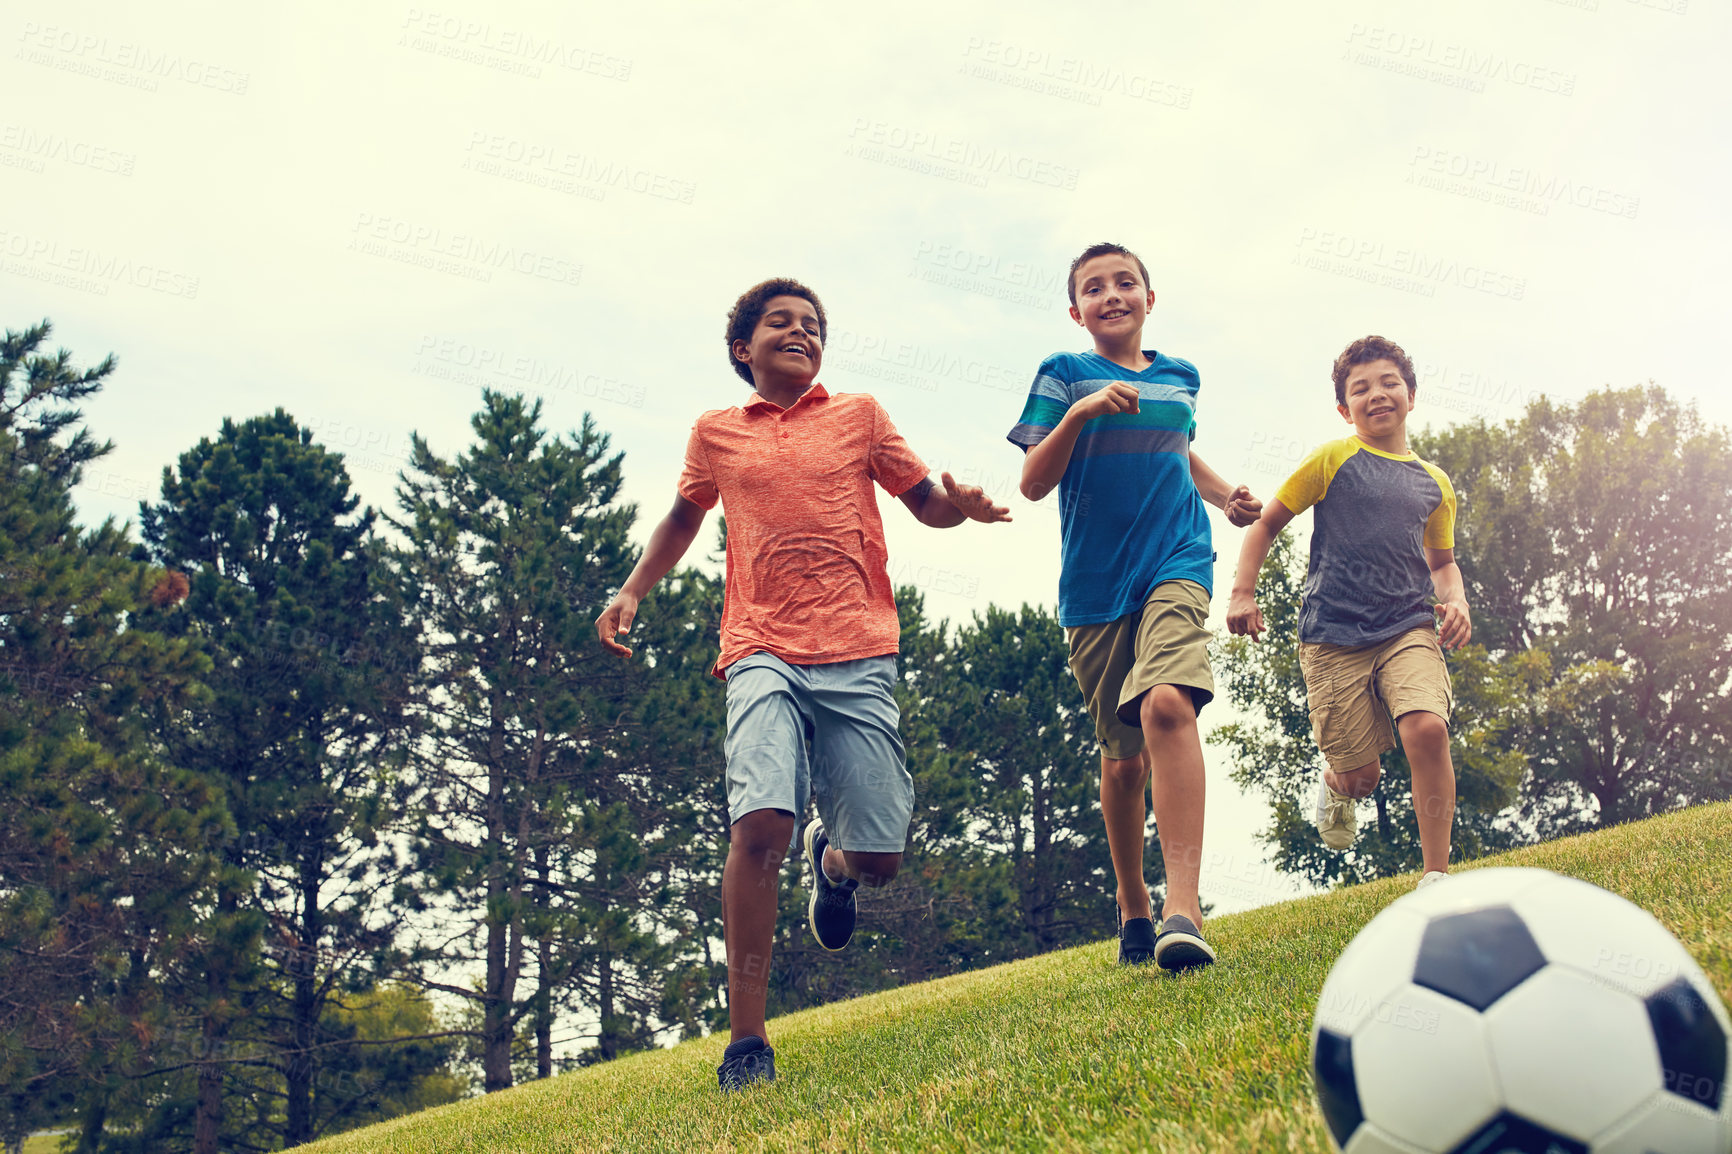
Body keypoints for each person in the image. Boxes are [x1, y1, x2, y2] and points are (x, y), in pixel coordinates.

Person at [595, 277, 1010, 1092]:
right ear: (742, 349)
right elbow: (684, 517)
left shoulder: (858, 416)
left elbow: (924, 501)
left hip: (858, 647)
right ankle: (746, 1043)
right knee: (759, 823)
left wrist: (959, 507)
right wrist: (632, 588)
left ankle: (835, 864)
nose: (800, 331)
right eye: (779, 323)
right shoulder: (716, 432)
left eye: (813, 324)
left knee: (881, 859)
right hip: (760, 647)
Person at [1008, 242, 1260, 972]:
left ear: (1151, 298)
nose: (1111, 294)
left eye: (1125, 282)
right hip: (1094, 588)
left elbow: (1176, 449)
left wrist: (1226, 498)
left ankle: (1185, 906)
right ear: (1075, 310)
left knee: (1167, 707)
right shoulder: (1063, 375)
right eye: (1094, 287)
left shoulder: (1180, 376)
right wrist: (1081, 413)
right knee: (1123, 764)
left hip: (1177, 559)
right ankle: (1133, 904)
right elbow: (1031, 482)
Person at [1225, 335, 1470, 890]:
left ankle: (1435, 874)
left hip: (1407, 623)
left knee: (1428, 729)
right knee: (1363, 777)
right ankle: (1337, 784)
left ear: (1412, 395)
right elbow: (1265, 523)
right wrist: (1243, 592)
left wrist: (1454, 599)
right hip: (1332, 636)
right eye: (1360, 389)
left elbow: (1443, 563)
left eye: (1389, 383)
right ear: (1344, 408)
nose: (1376, 395)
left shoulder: (1435, 484)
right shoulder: (1333, 458)